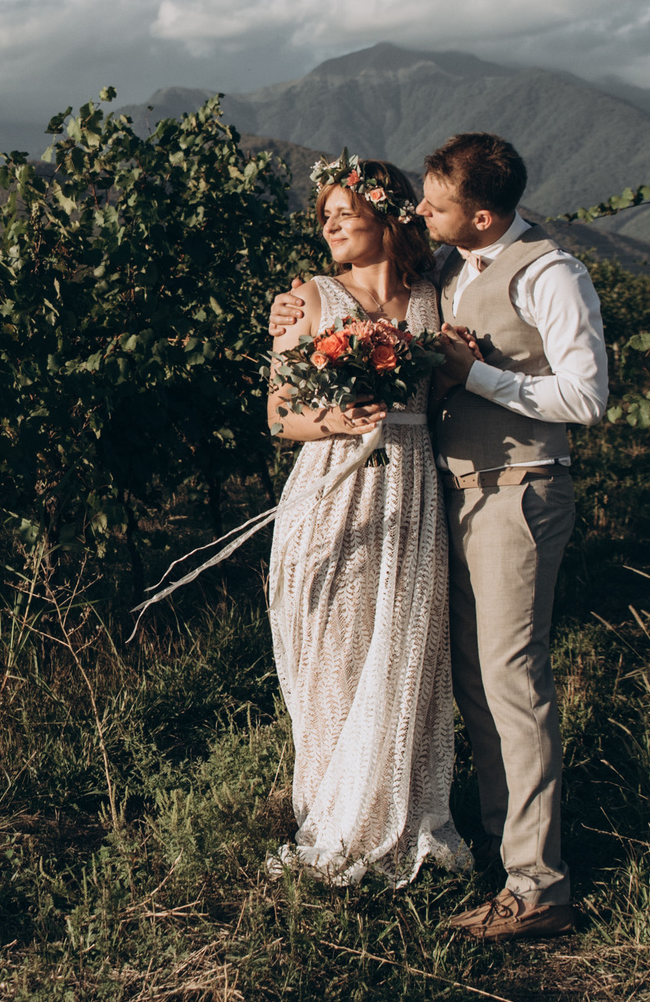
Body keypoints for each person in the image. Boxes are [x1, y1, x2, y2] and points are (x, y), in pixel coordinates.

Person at [268, 132, 606, 940]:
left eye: (436, 203)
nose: (422, 210)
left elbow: (587, 397)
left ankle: (535, 882)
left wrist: (471, 373)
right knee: (460, 680)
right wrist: (298, 328)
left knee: (504, 678)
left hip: (507, 488)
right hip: (422, 495)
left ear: (478, 215)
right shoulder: (449, 273)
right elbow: (283, 405)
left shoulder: (540, 273)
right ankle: (488, 849)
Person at [259, 155, 470, 887]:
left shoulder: (431, 298)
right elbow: (278, 416)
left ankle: (402, 818)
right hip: (333, 490)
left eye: (346, 212)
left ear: (387, 216)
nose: (332, 225)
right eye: (325, 216)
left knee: (407, 651)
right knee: (337, 657)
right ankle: (338, 819)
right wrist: (336, 420)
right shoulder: (308, 299)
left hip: (410, 490)